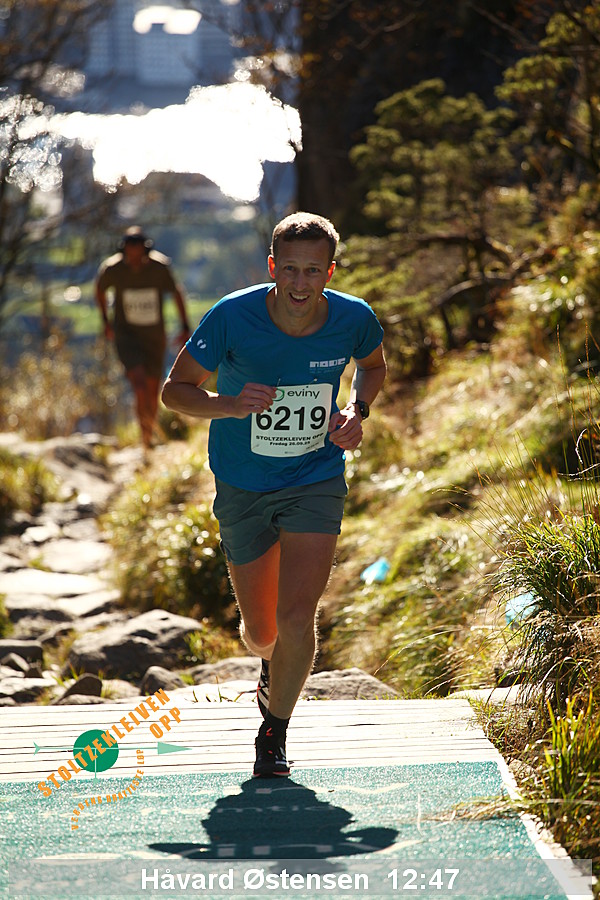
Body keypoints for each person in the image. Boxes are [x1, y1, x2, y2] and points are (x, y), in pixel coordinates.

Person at [161, 212, 386, 777]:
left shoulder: (354, 318)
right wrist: (229, 404)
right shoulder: (232, 316)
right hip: (244, 483)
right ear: (272, 267)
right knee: (262, 632)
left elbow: (373, 366)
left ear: (329, 272)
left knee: (297, 615)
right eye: (290, 269)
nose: (300, 283)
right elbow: (175, 391)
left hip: (315, 476)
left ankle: (274, 733)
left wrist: (356, 410)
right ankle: (269, 667)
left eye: (313, 271)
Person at [95, 226, 191, 450]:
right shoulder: (113, 269)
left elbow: (176, 292)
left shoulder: (159, 267)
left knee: (152, 387)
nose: (135, 261)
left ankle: (149, 436)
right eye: (130, 256)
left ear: (146, 251)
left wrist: (185, 325)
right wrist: (105, 321)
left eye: (139, 255)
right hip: (126, 336)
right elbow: (99, 289)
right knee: (139, 385)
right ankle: (144, 438)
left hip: (154, 337)